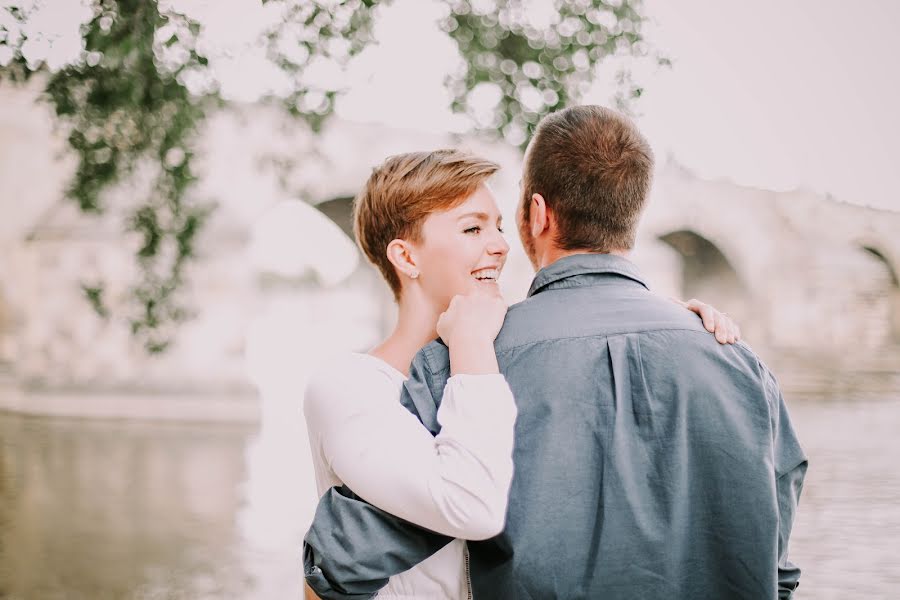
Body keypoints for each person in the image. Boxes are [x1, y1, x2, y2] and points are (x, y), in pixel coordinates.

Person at [304, 107, 807, 600]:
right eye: (474, 228)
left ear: (537, 214)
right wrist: (676, 334)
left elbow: (340, 566)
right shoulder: (737, 361)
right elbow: (775, 569)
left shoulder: (464, 367)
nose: (499, 244)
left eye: (498, 224)